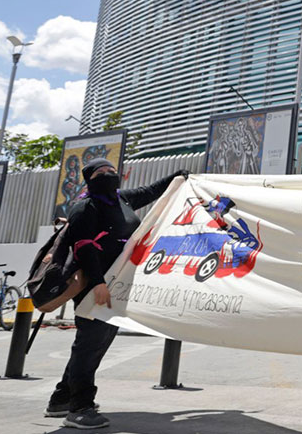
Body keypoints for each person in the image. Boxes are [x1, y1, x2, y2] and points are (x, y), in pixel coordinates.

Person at [45, 160, 188, 429]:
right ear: (89, 179)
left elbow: (150, 191)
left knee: (95, 344)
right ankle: (79, 408)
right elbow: (84, 247)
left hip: (115, 284)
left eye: (112, 172)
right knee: (89, 344)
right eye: (101, 173)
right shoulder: (85, 207)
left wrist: (179, 176)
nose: (109, 175)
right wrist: (98, 283)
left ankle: (61, 399)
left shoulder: (121, 199)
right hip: (94, 285)